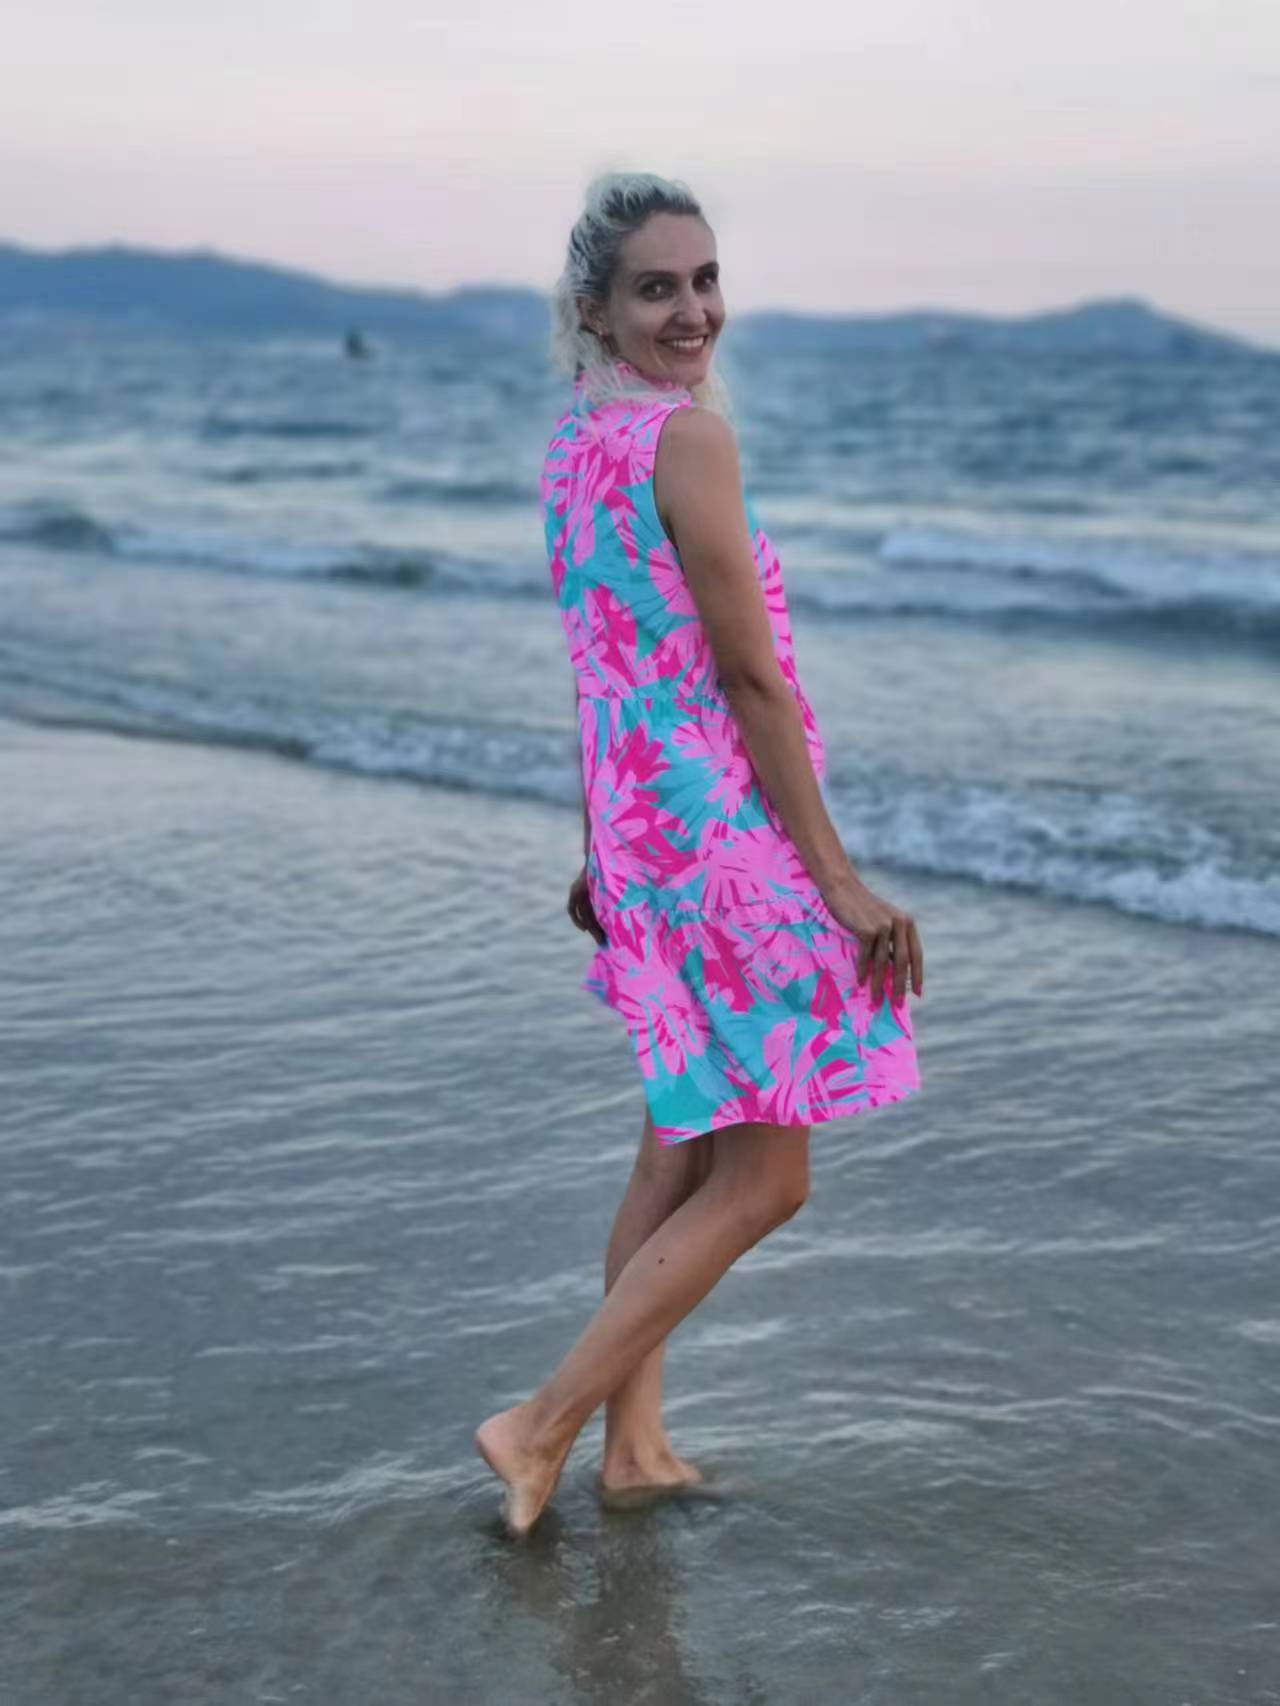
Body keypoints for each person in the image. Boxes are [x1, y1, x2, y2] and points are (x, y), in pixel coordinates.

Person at [475, 171, 924, 1538]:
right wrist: (836, 879)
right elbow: (747, 675)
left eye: (706, 280)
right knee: (767, 1173)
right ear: (597, 310)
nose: (693, 311)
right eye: (658, 288)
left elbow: (601, 665)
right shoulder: (687, 444)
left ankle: (634, 1449)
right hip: (723, 845)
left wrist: (599, 844)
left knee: (680, 1145)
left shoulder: (575, 446)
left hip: (646, 840)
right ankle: (542, 1422)